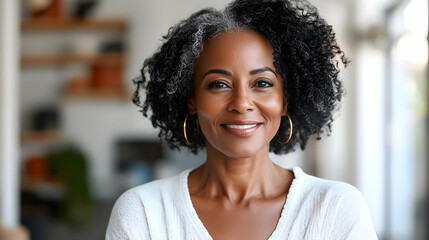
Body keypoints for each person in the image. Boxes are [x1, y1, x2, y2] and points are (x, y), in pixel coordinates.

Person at [106, 0, 378, 239]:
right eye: (219, 85)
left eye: (262, 82)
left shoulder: (337, 209)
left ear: (285, 100)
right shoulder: (143, 213)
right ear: (191, 99)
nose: (241, 103)